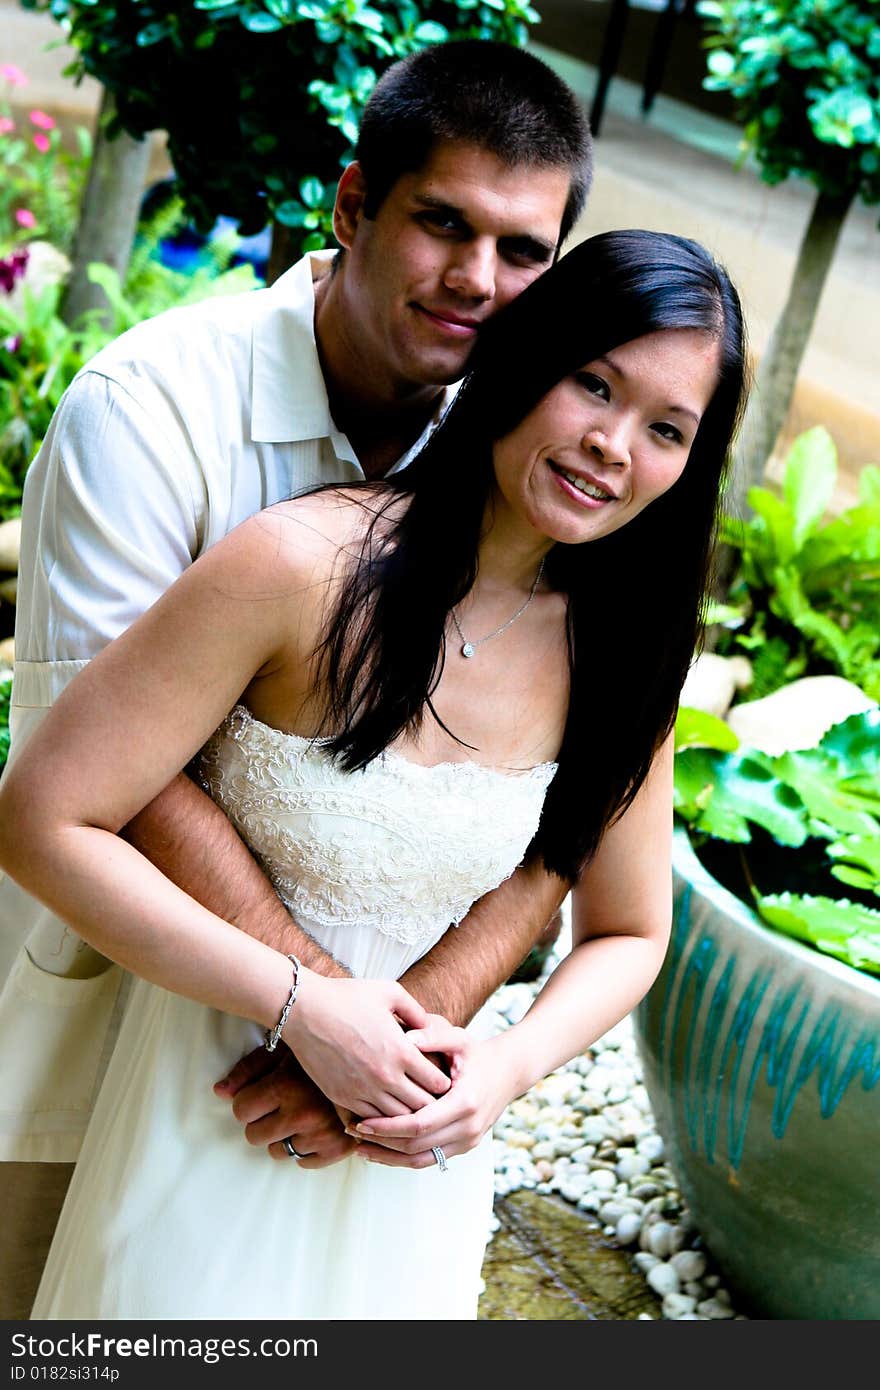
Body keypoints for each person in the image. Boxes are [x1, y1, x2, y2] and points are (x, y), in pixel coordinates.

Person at [0, 228, 748, 1319]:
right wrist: (303, 1006)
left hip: (413, 1164)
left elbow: (629, 930)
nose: (612, 445)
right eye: (594, 383)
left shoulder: (621, 656)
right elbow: (42, 818)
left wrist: (500, 1068)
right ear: (525, 357)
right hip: (212, 1108)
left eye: (667, 428)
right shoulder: (296, 566)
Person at [0, 39, 593, 1315]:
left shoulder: (530, 454)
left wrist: (398, 1044)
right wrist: (329, 1020)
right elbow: (110, 768)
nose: (477, 280)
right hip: (89, 1013)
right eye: (442, 222)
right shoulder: (145, 409)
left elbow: (570, 783)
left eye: (523, 251)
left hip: (350, 1100)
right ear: (349, 204)